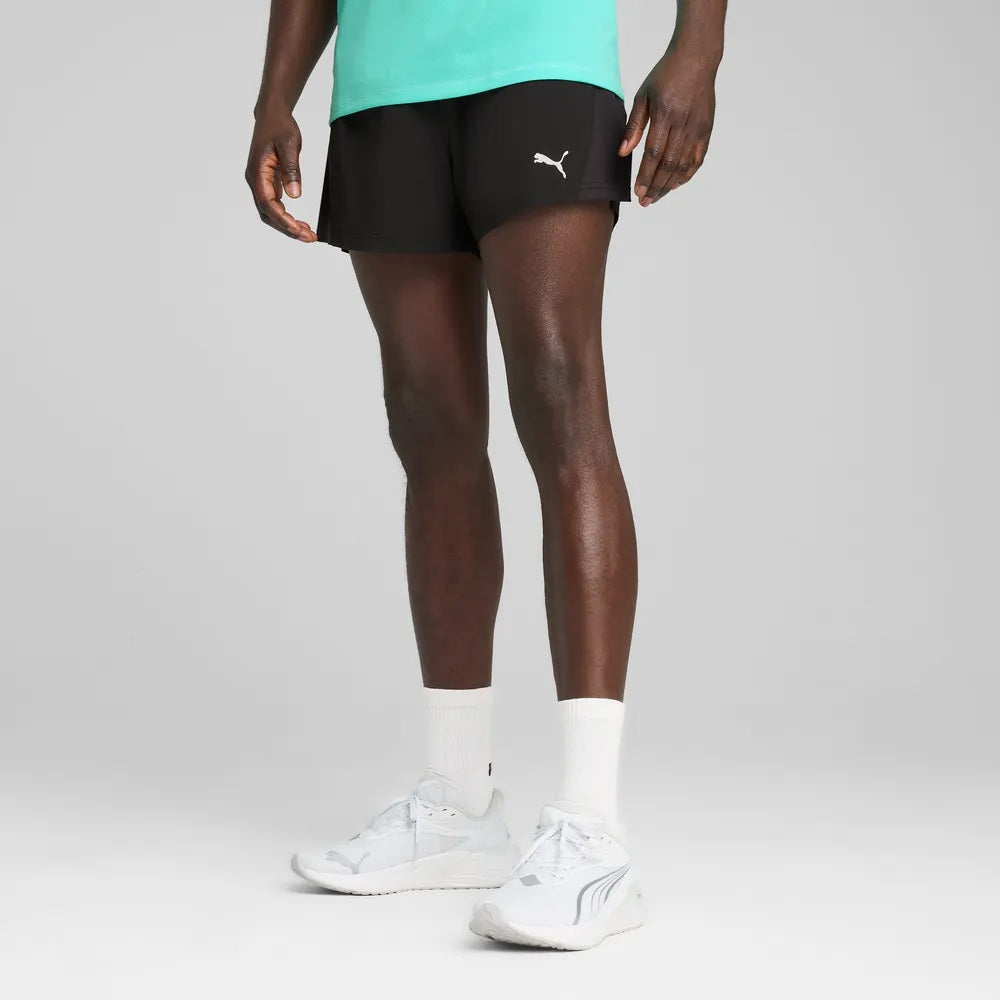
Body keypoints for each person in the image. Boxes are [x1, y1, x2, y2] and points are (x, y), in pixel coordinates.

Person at [246, 0, 726, 950]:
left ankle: (592, 833)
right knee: (429, 427)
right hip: (382, 88)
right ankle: (458, 805)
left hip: (539, 60)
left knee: (559, 400)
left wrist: (699, 46)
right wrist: (274, 97)